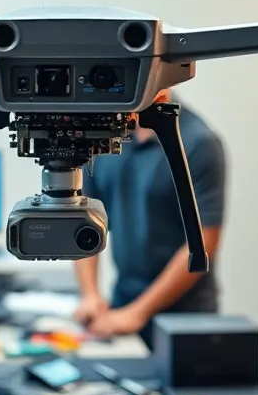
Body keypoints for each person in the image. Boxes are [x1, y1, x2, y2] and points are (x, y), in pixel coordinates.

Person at [72, 90, 227, 345]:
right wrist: (90, 295)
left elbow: (203, 241)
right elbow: (83, 220)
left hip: (184, 317)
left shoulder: (198, 143)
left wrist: (137, 313)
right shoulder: (106, 135)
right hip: (123, 300)